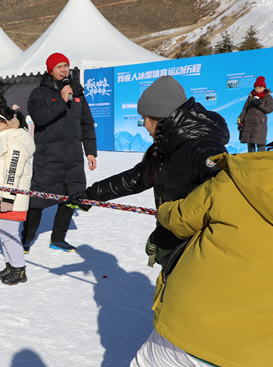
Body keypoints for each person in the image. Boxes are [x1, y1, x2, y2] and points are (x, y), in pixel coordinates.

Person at [122, 152, 273, 367]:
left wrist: (162, 211)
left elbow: (180, 219)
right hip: (262, 358)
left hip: (190, 327)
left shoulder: (240, 177)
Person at [71, 76, 229, 267]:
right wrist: (91, 195)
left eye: (144, 118)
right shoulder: (167, 146)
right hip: (175, 245)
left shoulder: (203, 149)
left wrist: (178, 218)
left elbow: (223, 202)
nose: (144, 124)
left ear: (158, 116)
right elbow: (135, 178)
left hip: (199, 252)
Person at [21, 52, 97, 253]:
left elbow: (87, 123)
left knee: (72, 198)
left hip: (72, 158)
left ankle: (58, 238)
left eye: (66, 65)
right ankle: (26, 238)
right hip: (48, 158)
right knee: (37, 200)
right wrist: (61, 101)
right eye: (59, 66)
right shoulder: (39, 94)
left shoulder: (78, 93)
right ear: (50, 70)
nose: (64, 69)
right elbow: (39, 117)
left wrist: (90, 151)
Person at [0, 106, 35, 285]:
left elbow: (13, 172)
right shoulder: (1, 140)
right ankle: (11, 265)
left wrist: (8, 198)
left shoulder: (13, 141)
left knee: (9, 234)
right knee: (2, 232)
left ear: (5, 123)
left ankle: (19, 270)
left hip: (9, 199)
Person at [238, 75, 272, 152]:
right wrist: (240, 119)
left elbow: (269, 109)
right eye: (256, 87)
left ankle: (262, 162)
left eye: (260, 87)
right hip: (248, 123)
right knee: (250, 143)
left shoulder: (268, 97)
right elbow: (245, 109)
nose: (257, 89)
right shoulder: (250, 97)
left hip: (259, 124)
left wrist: (259, 104)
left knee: (260, 143)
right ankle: (251, 161)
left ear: (264, 88)